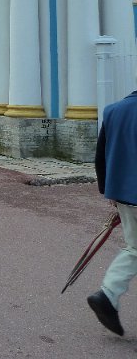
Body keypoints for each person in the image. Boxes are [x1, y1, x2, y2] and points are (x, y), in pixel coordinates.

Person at [88, 89, 137, 336]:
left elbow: (101, 157)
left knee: (135, 249)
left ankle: (108, 293)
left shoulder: (113, 110)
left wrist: (109, 191)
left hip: (125, 196)